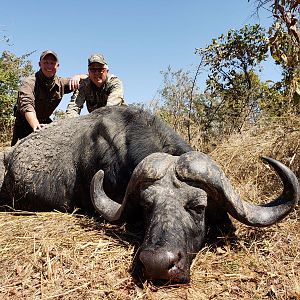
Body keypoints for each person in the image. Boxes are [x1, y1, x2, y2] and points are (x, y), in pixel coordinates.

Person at [11, 50, 84, 146]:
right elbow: (27, 105)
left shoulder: (61, 82)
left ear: (57, 66)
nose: (49, 66)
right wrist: (36, 126)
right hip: (25, 124)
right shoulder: (29, 82)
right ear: (39, 64)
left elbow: (89, 77)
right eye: (46, 62)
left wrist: (78, 76)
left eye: (52, 63)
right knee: (15, 154)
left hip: (45, 123)